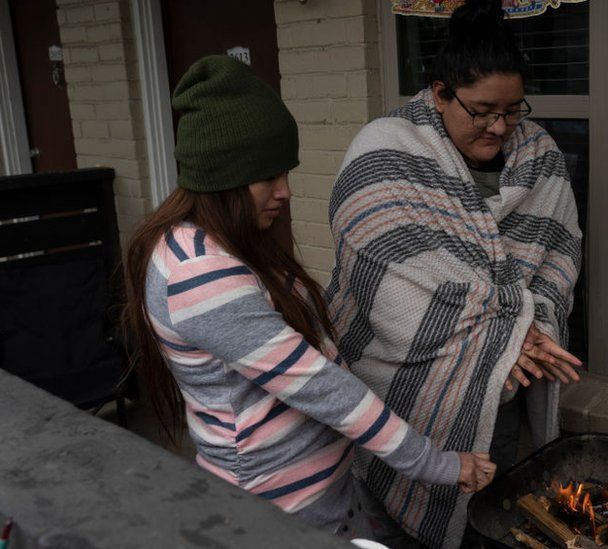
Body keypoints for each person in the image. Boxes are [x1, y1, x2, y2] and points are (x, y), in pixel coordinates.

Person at [121, 55, 495, 540]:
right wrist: (439, 464)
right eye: (269, 177)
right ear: (224, 177)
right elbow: (320, 386)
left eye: (286, 173)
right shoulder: (202, 273)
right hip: (278, 512)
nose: (286, 191)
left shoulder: (213, 242)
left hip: (318, 496)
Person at [326, 1, 583, 547]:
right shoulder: (386, 147)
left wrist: (524, 332)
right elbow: (386, 266)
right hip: (400, 390)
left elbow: (557, 257)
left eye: (513, 111)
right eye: (483, 110)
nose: (499, 127)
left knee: (490, 518)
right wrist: (510, 332)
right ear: (440, 93)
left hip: (501, 391)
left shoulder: (539, 154)